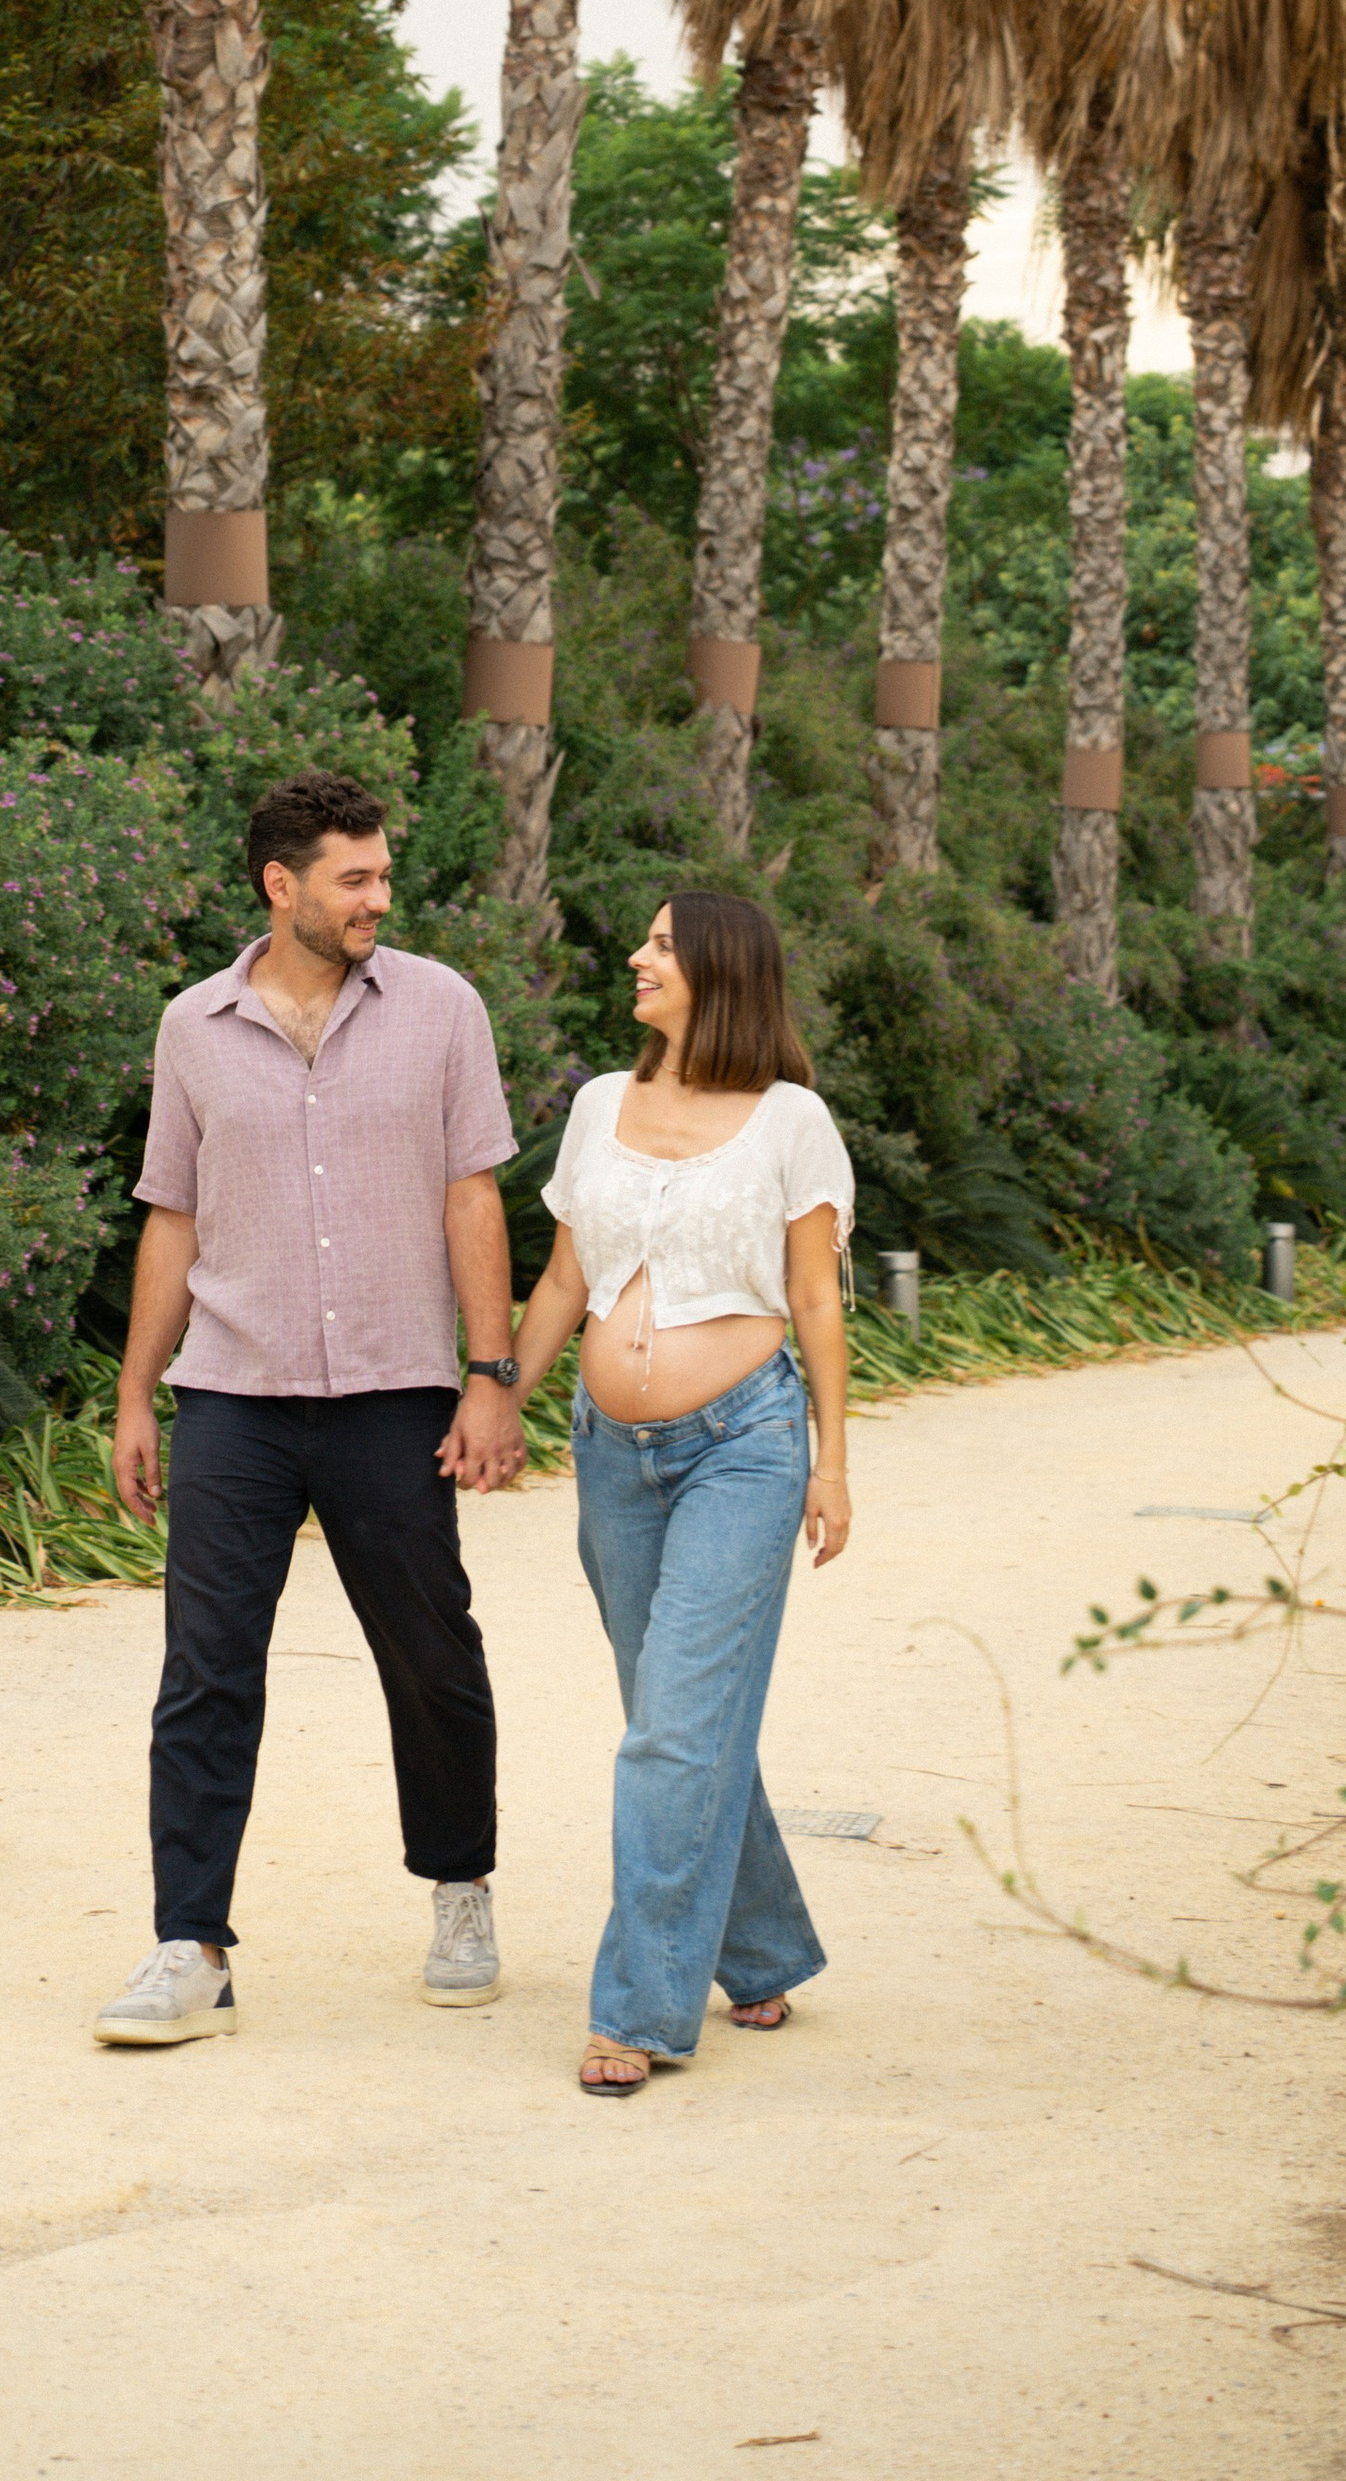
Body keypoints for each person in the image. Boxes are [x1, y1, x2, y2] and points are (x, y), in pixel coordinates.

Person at [93, 769, 528, 2047]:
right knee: (205, 1673)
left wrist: (489, 1379)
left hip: (396, 1390)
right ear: (281, 886)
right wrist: (135, 1393)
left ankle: (460, 1888)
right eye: (355, 877)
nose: (378, 898)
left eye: (383, 875)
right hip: (232, 1395)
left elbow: (473, 1199)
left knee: (430, 1653)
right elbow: (171, 1216)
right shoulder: (193, 1027)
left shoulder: (442, 1007)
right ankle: (192, 1946)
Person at [507, 889, 854, 2095]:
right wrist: (494, 1389)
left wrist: (832, 1460)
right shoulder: (602, 1104)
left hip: (744, 1448)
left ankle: (640, 2011)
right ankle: (760, 1949)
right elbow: (562, 1277)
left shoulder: (789, 1121)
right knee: (682, 1722)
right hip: (612, 1452)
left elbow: (815, 1299)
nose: (636, 956)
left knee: (671, 1733)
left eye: (659, 943)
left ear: (718, 970)